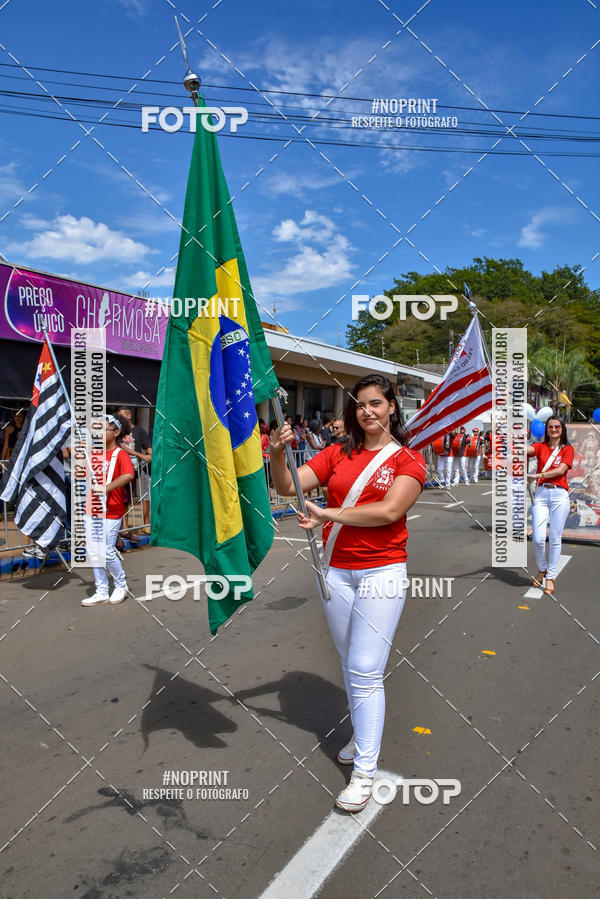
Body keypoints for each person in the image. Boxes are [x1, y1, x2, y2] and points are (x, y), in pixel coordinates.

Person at [269, 374, 425, 813]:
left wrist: (328, 513)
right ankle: (361, 738)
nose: (367, 411)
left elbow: (390, 510)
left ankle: (364, 774)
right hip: (335, 572)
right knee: (349, 663)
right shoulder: (338, 452)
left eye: (376, 402)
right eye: (360, 404)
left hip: (383, 574)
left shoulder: (408, 460)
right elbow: (288, 487)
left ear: (392, 406)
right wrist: (278, 453)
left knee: (363, 668)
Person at [82, 414, 135, 606]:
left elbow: (129, 474)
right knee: (94, 551)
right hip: (92, 508)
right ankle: (101, 590)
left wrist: (105, 488)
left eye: (103, 429)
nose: (99, 433)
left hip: (111, 509)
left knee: (105, 550)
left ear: (116, 432)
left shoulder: (120, 454)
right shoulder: (94, 453)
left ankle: (121, 584)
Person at [527, 416, 574, 596]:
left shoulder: (567, 449)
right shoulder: (540, 447)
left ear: (562, 429)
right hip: (541, 495)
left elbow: (561, 470)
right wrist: (512, 442)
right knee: (538, 538)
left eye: (557, 426)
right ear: (546, 429)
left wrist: (538, 476)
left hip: (559, 495)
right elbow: (527, 449)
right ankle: (542, 568)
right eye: (550, 426)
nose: (554, 429)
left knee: (554, 539)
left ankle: (550, 577)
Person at [117, 407, 152, 539]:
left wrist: (150, 455)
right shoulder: (117, 431)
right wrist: (141, 455)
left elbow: (148, 447)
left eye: (121, 416)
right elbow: (122, 446)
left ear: (129, 416)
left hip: (135, 470)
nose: (119, 420)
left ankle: (138, 525)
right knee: (122, 499)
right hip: (120, 470)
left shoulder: (139, 431)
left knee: (130, 499)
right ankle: (123, 529)